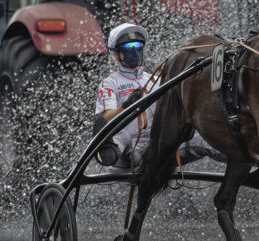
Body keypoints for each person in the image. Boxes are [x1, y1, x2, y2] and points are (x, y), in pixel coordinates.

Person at [94, 23, 225, 168]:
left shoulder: (157, 81)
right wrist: (126, 105)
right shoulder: (109, 83)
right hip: (126, 149)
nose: (134, 51)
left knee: (203, 140)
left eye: (137, 46)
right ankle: (106, 154)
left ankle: (247, 158)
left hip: (158, 147)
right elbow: (104, 120)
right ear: (117, 54)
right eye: (128, 48)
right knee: (122, 137)